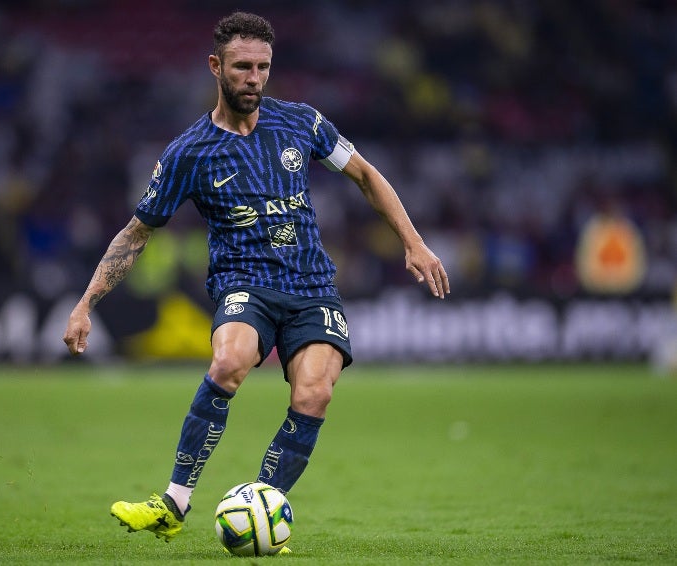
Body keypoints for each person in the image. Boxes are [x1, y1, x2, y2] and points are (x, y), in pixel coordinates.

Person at [62, 11, 449, 548]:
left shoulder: (302, 123)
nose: (254, 78)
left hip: (312, 286)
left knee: (315, 393)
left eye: (263, 67)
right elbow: (136, 233)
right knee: (230, 361)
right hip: (244, 283)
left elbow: (365, 174)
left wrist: (413, 241)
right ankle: (174, 503)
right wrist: (86, 303)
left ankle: (262, 507)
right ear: (215, 66)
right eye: (242, 67)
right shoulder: (189, 152)